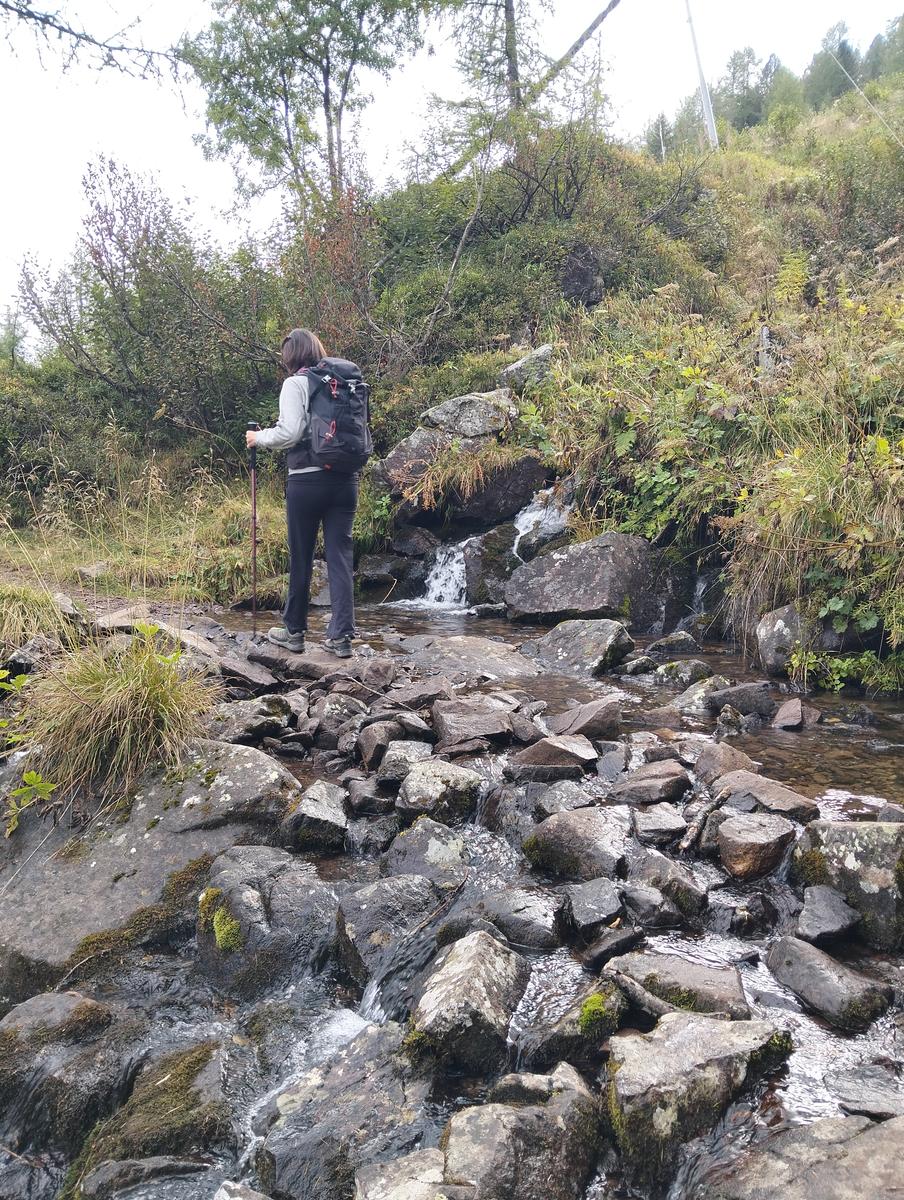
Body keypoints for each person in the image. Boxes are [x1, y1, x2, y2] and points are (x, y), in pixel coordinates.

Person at [246, 328, 358, 659]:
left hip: (307, 481)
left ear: (291, 356)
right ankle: (341, 639)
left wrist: (259, 438)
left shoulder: (296, 383)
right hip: (346, 480)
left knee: (301, 556)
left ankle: (293, 632)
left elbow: (291, 432)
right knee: (340, 557)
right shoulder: (343, 383)